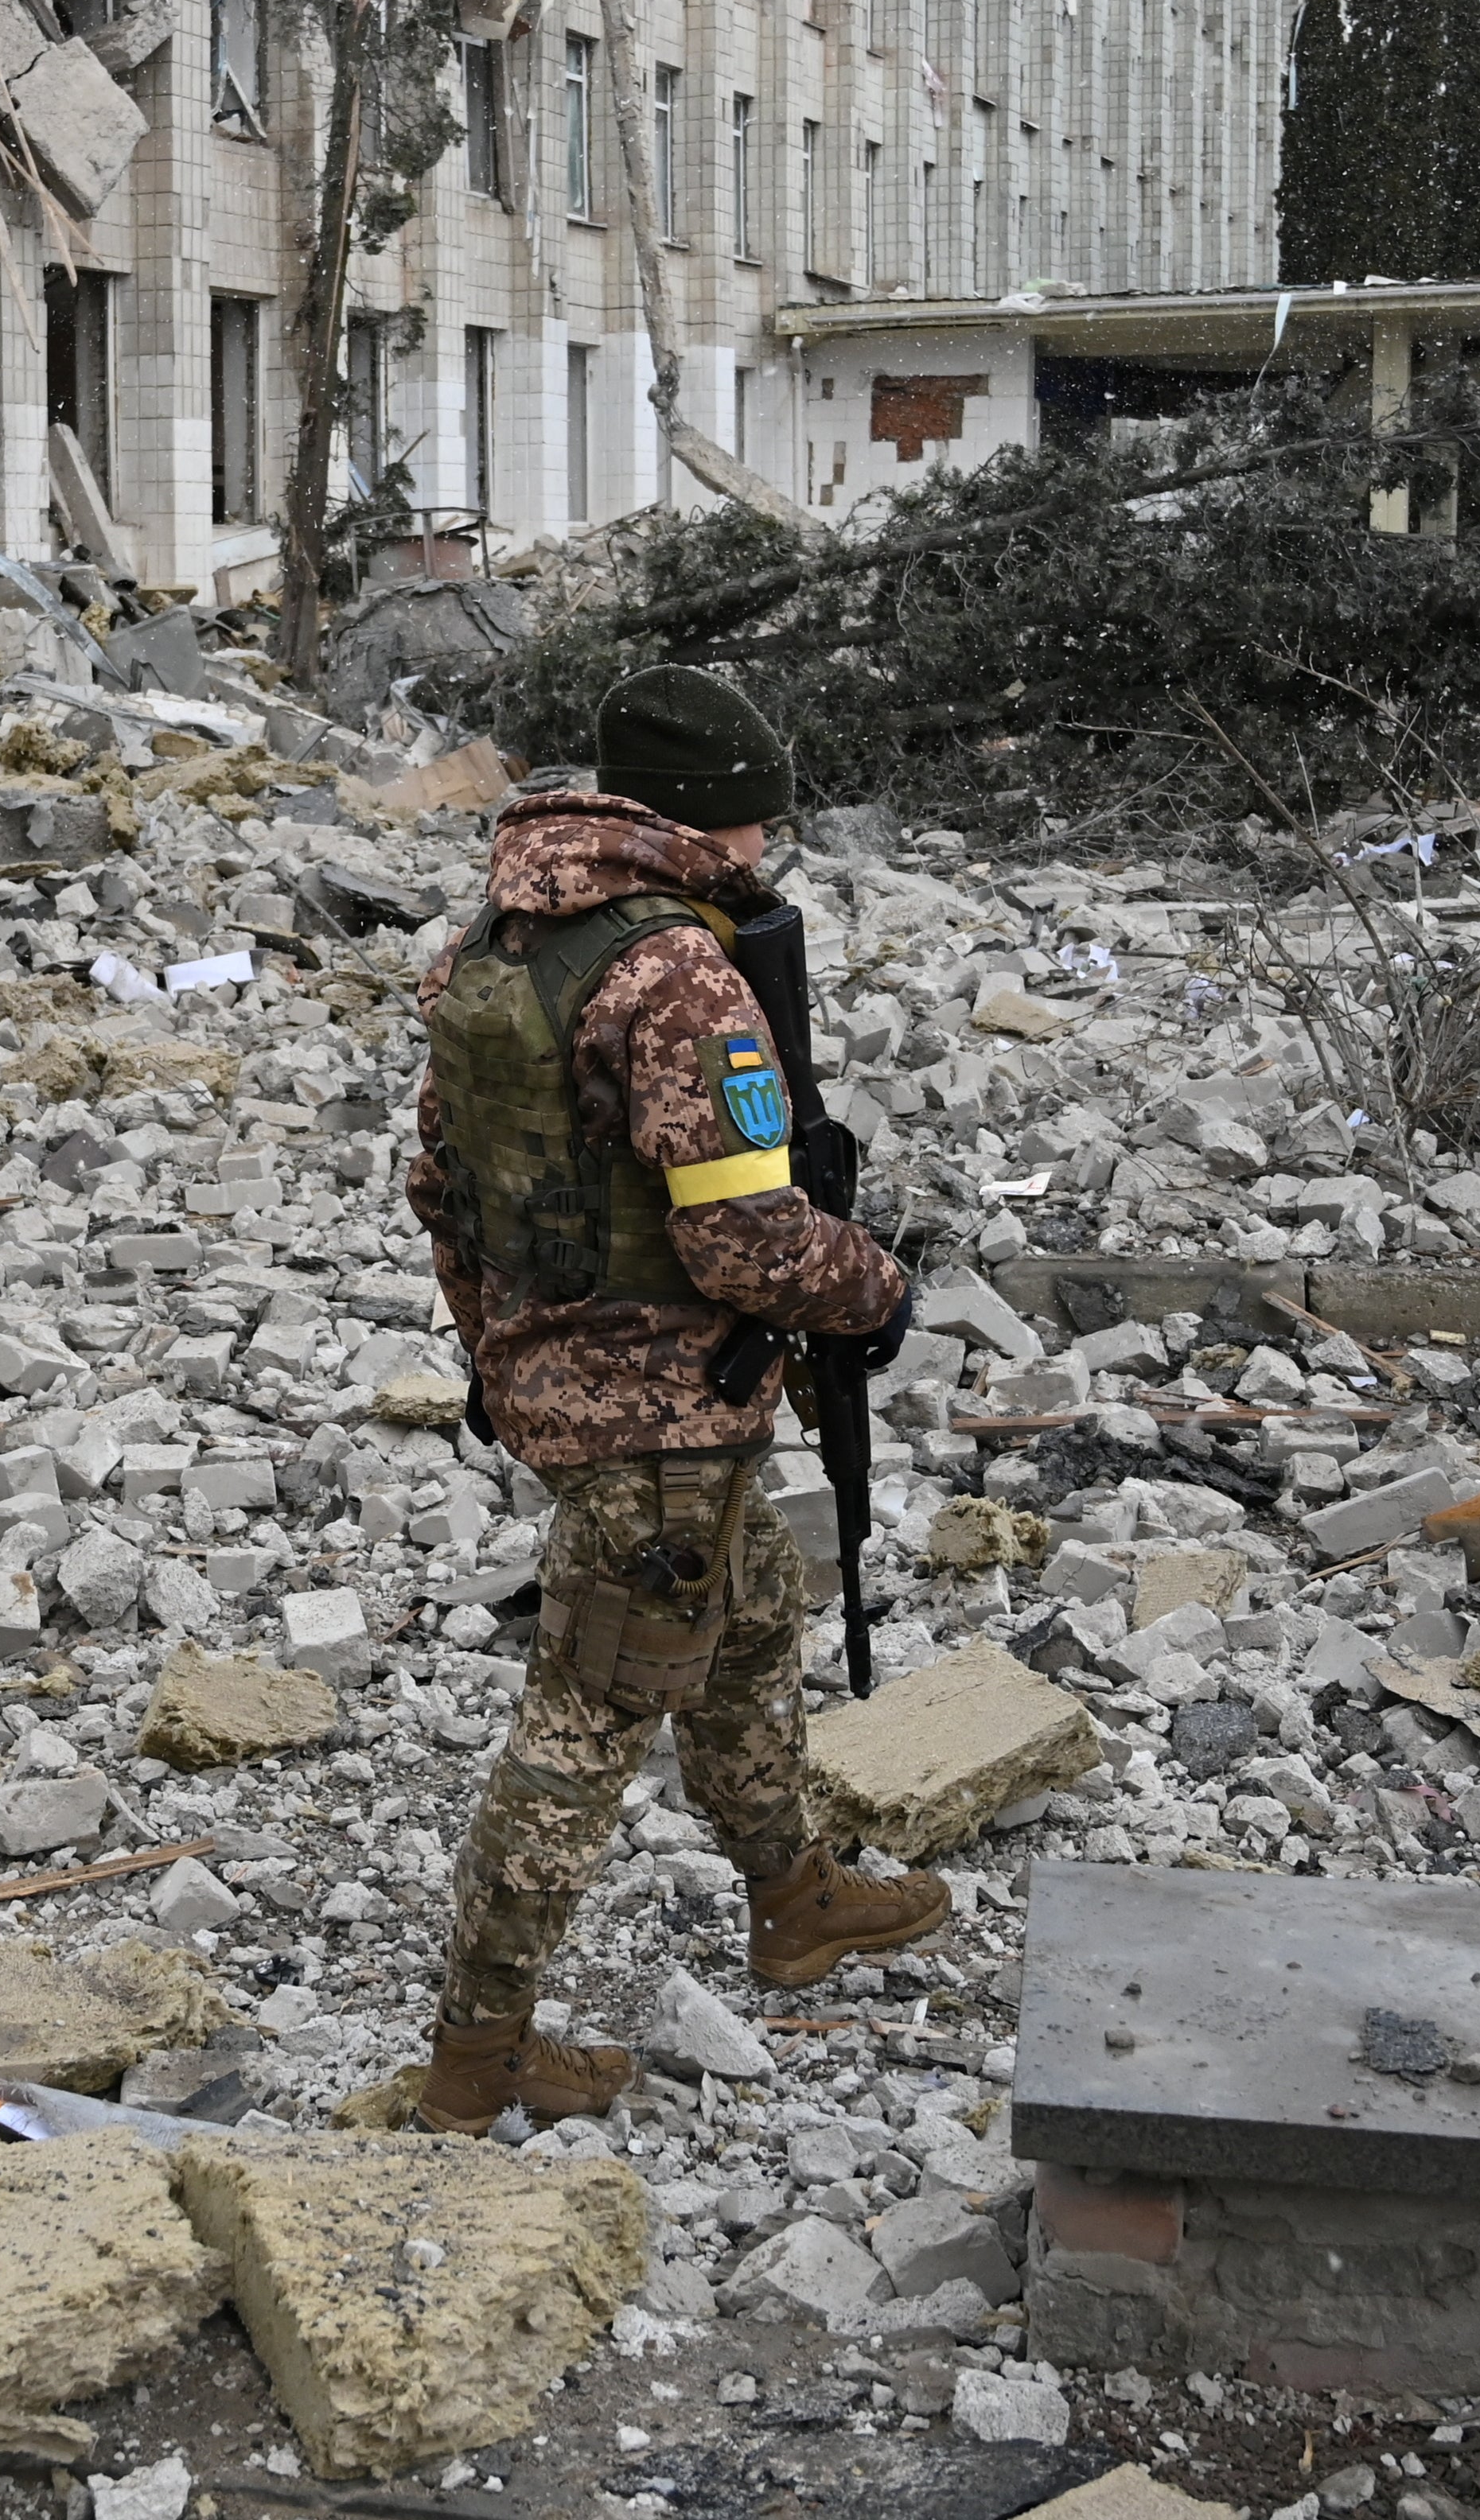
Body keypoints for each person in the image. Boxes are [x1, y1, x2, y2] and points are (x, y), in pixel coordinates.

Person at [399, 665, 946, 2136]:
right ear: (709, 819)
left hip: (576, 1385)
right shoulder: (680, 976)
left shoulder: (502, 941)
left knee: (755, 1618)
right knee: (584, 1726)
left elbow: (439, 1187)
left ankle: (795, 1896)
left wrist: (507, 1356)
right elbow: (742, 1239)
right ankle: (476, 2058)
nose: (767, 856)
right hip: (663, 1415)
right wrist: (874, 1289)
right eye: (759, 827)